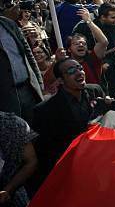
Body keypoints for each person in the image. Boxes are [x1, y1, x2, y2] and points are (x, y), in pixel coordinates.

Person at [31, 58, 108, 194]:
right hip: (73, 173)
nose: (79, 73)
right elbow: (47, 154)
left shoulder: (95, 91)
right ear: (60, 80)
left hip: (102, 162)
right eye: (71, 71)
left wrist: (109, 107)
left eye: (80, 68)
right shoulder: (45, 111)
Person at [0, 0, 43, 124]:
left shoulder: (9, 24)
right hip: (6, 99)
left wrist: (39, 83)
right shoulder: (7, 19)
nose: (14, 0)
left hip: (29, 91)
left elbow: (28, 56)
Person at [0, 112, 37, 207]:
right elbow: (31, 162)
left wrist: (8, 190)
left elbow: (31, 162)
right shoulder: (16, 123)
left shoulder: (14, 124)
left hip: (14, 204)